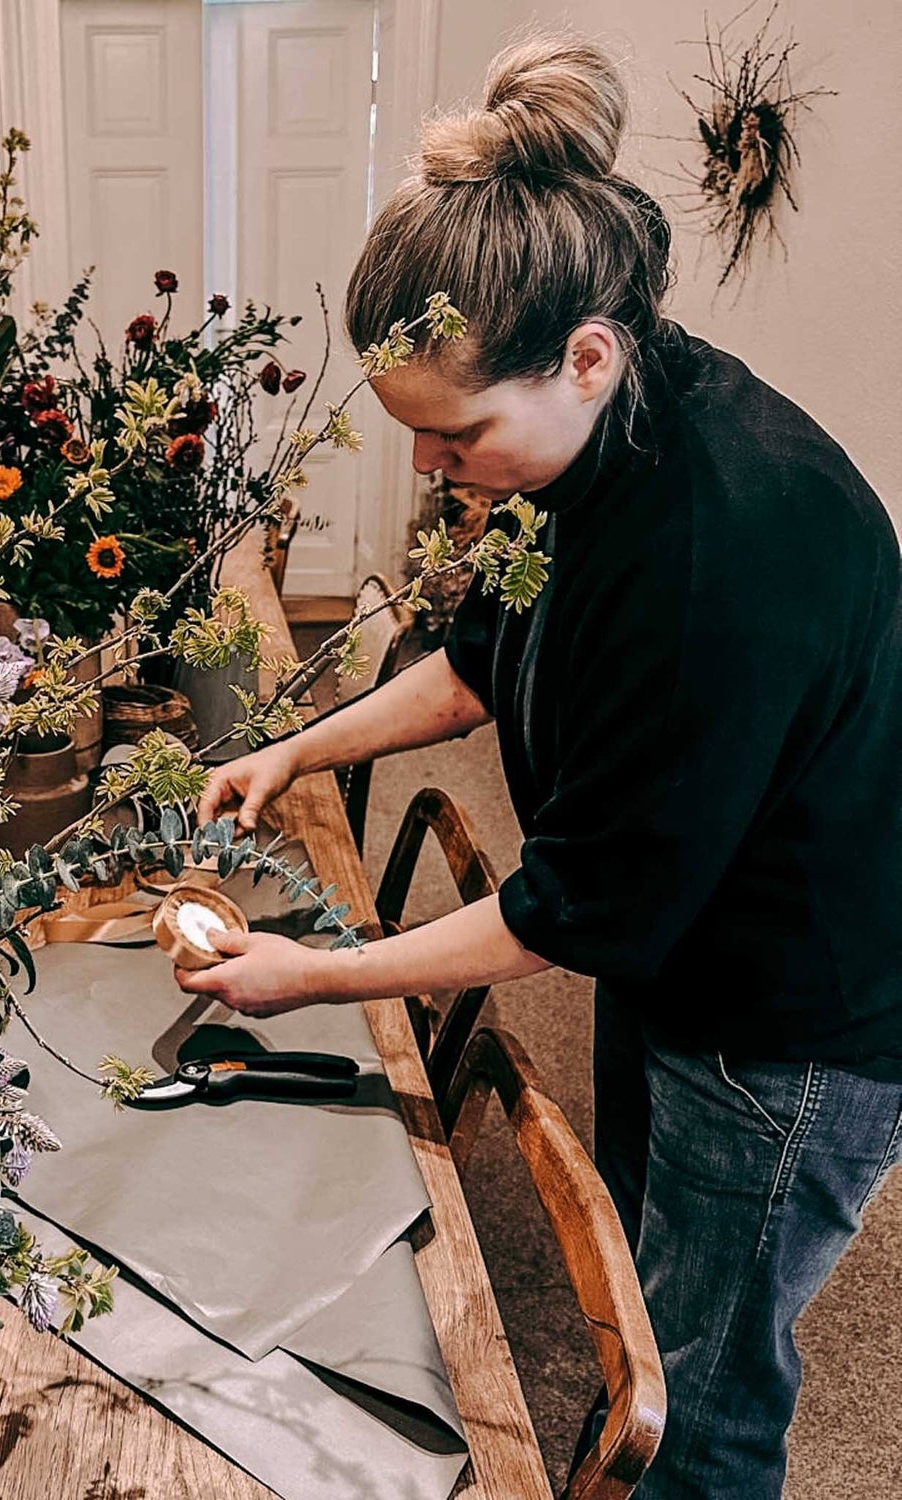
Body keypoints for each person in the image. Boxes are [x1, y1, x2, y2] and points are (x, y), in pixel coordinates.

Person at [181, 33, 902, 1500]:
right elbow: (477, 667)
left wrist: (304, 976)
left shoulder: (726, 545)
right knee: (645, 1275)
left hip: (796, 1015)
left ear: (585, 354)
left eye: (457, 440)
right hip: (678, 940)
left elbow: (569, 911)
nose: (438, 476)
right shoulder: (591, 440)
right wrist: (292, 748)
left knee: (699, 1396)